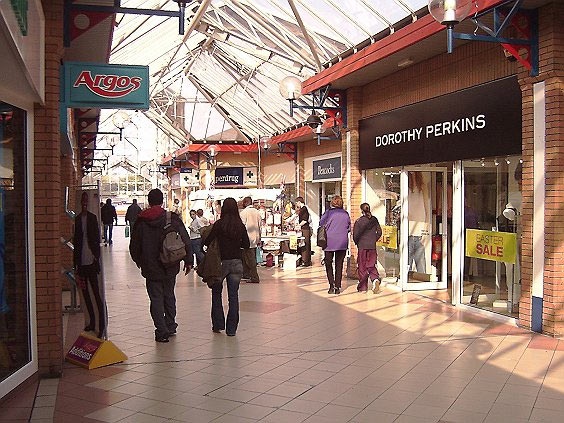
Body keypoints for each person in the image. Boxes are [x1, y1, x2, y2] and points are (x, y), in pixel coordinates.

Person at [129, 188, 192, 343]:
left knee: (156, 298)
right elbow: (185, 238)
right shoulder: (172, 218)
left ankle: (161, 331)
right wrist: (189, 260)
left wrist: (139, 261)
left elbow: (134, 246)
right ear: (162, 201)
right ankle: (170, 325)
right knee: (169, 294)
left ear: (149, 202)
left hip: (150, 267)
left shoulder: (141, 220)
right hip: (170, 264)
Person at [203, 197, 250, 336]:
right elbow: (246, 245)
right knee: (233, 296)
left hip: (220, 263)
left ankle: (218, 324)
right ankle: (231, 329)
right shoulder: (239, 225)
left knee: (216, 293)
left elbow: (207, 240)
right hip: (236, 262)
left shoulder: (219, 224)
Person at [73, 191, 105, 339]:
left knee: (96, 294)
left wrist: (95, 258)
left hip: (91, 262)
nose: (85, 203)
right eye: (83, 201)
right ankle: (91, 321)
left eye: (87, 201)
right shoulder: (78, 219)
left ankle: (101, 324)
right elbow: (76, 243)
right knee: (86, 294)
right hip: (81, 263)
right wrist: (76, 265)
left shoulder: (92, 218)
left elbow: (97, 241)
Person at [318, 195, 350, 294]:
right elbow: (348, 228)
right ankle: (337, 286)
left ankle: (331, 285)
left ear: (332, 203)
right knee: (339, 264)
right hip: (342, 242)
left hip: (329, 242)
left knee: (328, 263)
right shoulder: (345, 214)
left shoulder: (328, 213)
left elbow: (321, 223)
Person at [353, 203, 383, 293]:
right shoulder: (374, 220)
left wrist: (357, 243)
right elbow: (379, 232)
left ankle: (363, 287)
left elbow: (355, 235)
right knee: (371, 264)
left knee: (362, 266)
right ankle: (375, 279)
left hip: (362, 246)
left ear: (361, 210)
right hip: (372, 246)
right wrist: (374, 239)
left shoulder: (359, 221)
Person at [408, 172, 429, 273]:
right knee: (406, 264)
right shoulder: (406, 187)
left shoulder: (422, 188)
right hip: (408, 231)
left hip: (419, 232)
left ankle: (423, 284)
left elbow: (427, 210)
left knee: (421, 265)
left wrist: (425, 231)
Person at [239, 196, 261, 283]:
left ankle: (254, 277)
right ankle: (246, 274)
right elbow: (260, 225)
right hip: (256, 236)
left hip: (247, 238)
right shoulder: (257, 212)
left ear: (245, 203)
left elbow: (242, 226)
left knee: (250, 258)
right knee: (249, 256)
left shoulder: (244, 213)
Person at [295, 197, 312, 266]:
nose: (296, 205)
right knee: (304, 244)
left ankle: (306, 261)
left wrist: (299, 225)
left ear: (299, 202)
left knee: (305, 244)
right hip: (304, 229)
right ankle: (305, 260)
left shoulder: (304, 209)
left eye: (296, 203)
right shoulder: (303, 209)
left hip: (305, 229)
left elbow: (305, 220)